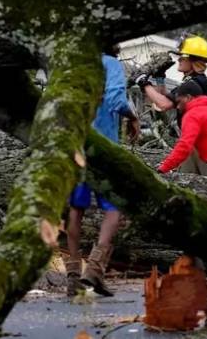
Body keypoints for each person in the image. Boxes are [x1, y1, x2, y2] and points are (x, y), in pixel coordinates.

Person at [67, 45, 140, 298]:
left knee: (76, 209)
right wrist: (133, 117)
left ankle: (73, 277)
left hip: (76, 143)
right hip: (102, 146)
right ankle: (95, 268)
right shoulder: (110, 64)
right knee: (115, 207)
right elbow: (117, 99)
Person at [136, 35, 207, 175]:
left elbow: (164, 104)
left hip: (201, 144)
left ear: (193, 61)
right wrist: (160, 78)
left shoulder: (193, 84)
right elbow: (167, 96)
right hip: (195, 141)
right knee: (189, 181)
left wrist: (143, 83)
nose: (179, 59)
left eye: (183, 57)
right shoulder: (196, 81)